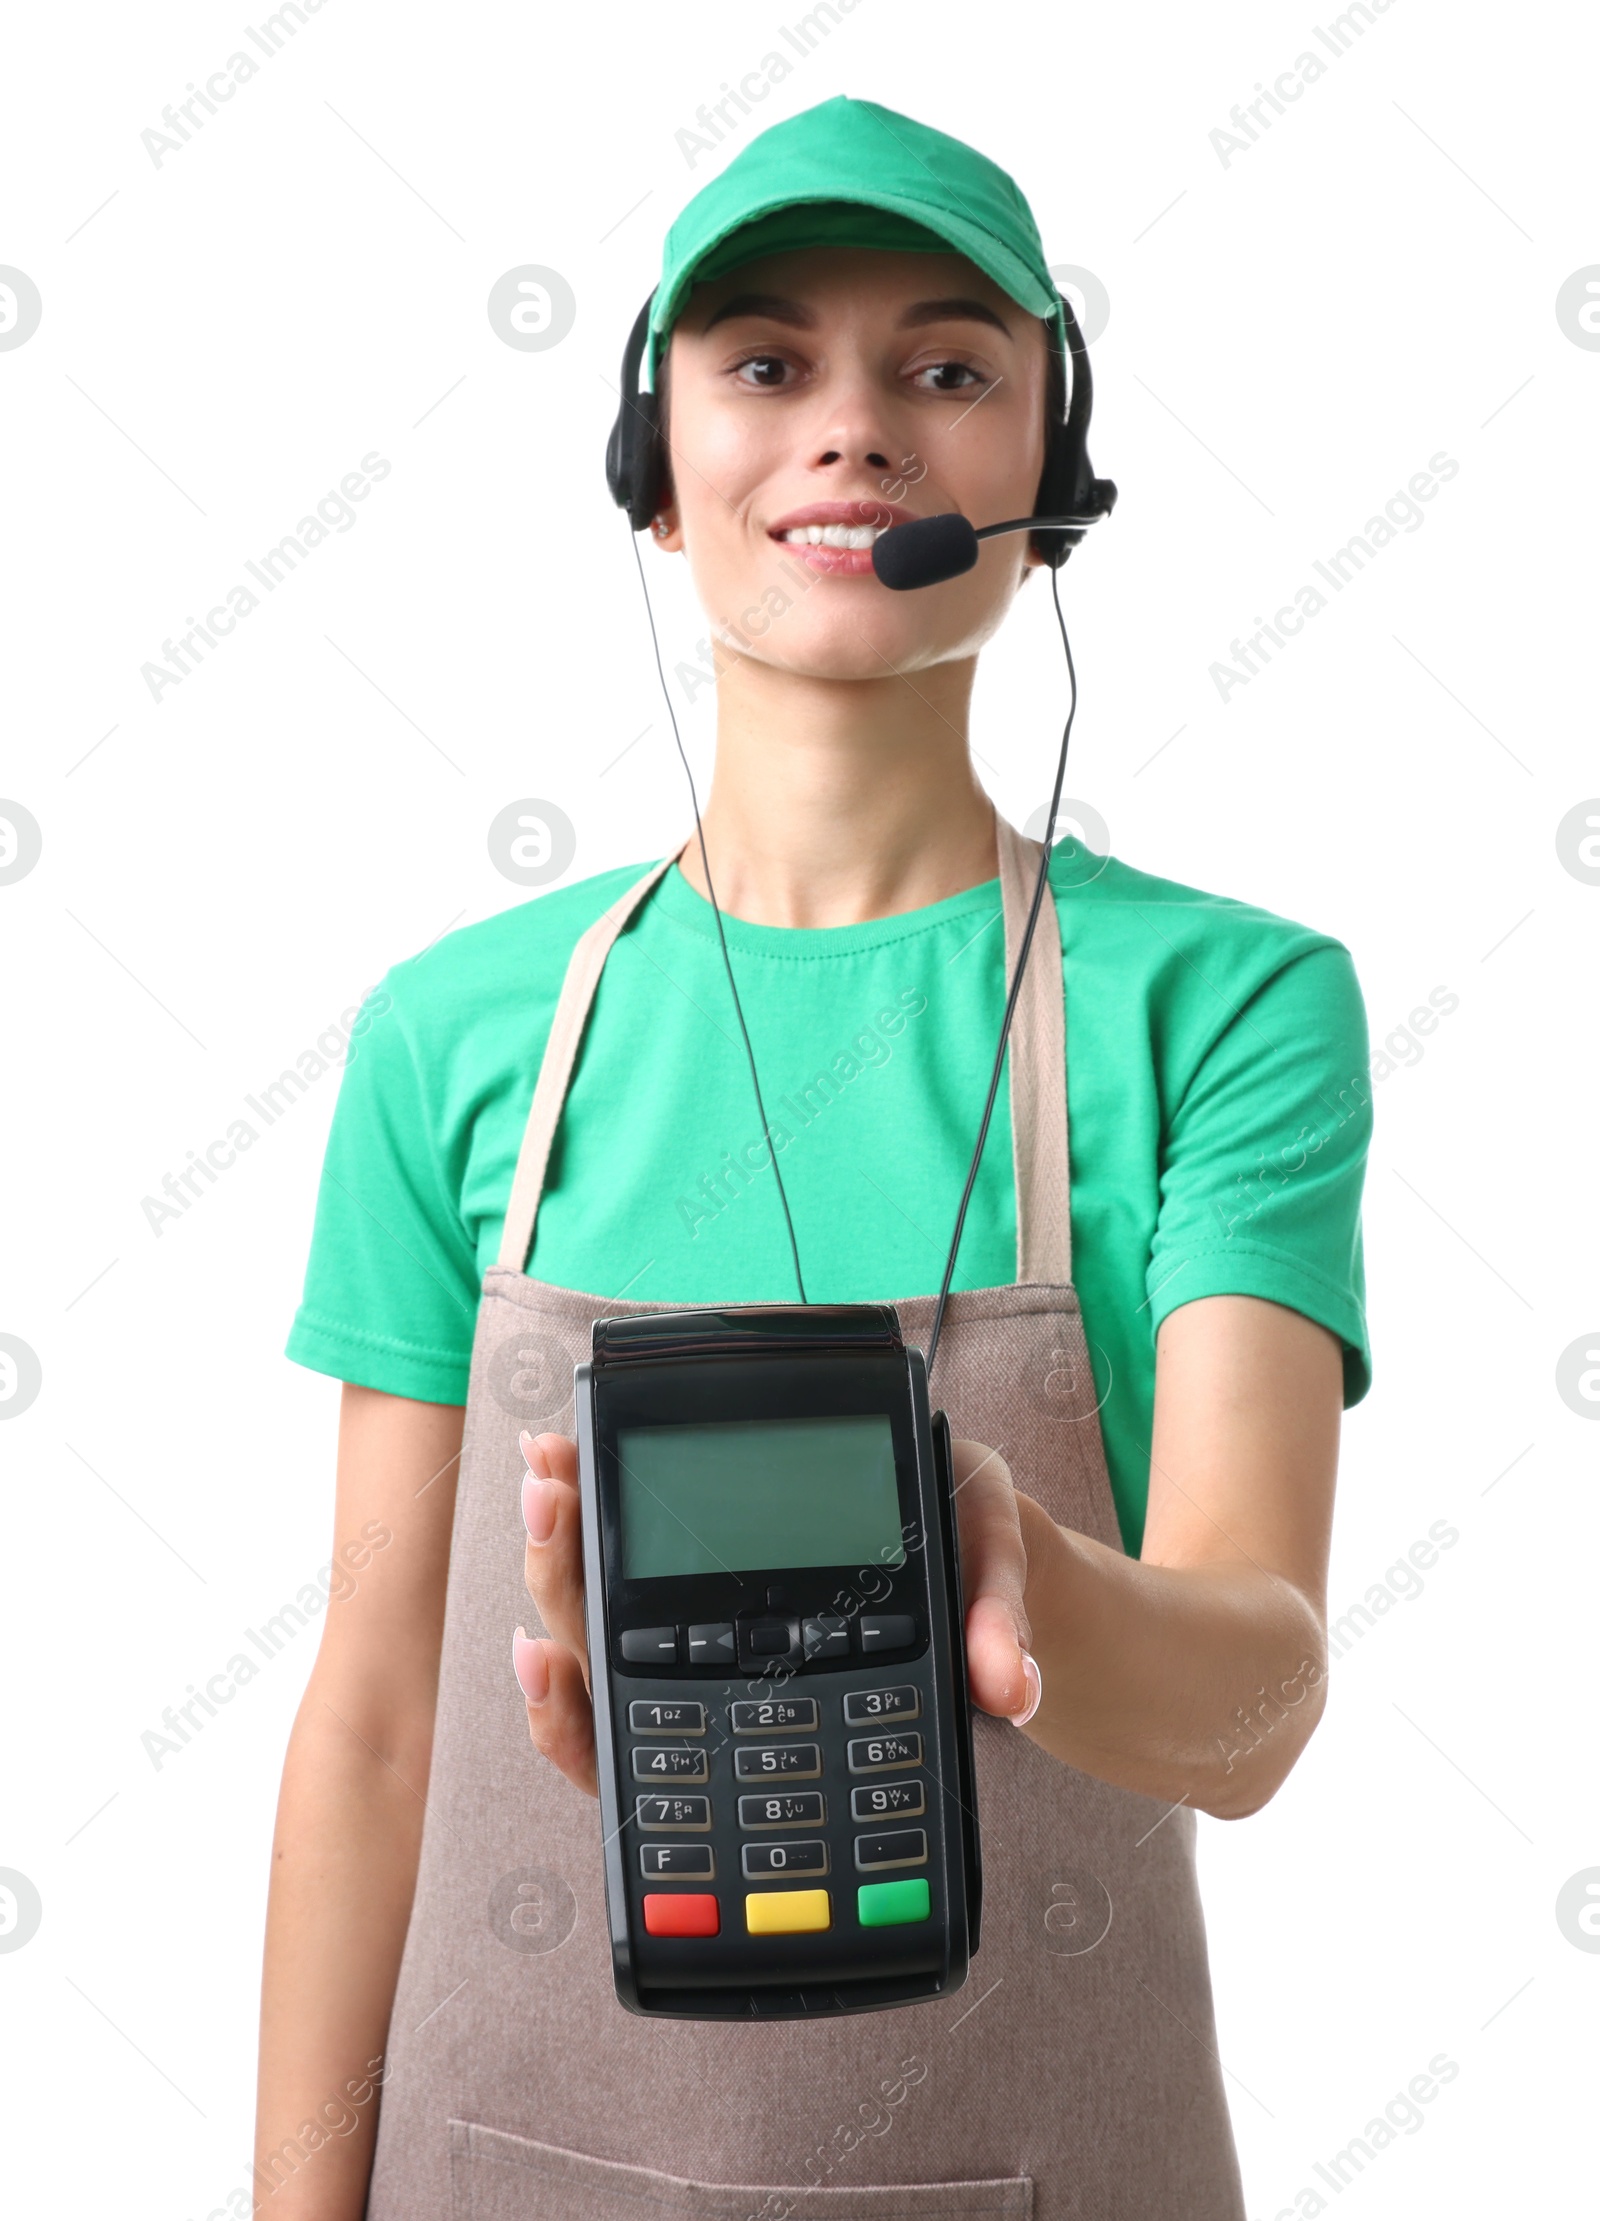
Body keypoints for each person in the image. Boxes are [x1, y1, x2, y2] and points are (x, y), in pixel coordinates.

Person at [256, 95, 1371, 2221]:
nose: (850, 430)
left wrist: (1011, 1573)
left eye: (945, 369)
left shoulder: (1224, 1010)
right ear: (648, 476)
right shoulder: (453, 1035)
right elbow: (375, 1718)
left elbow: (1251, 1716)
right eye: (763, 364)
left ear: (1046, 477)